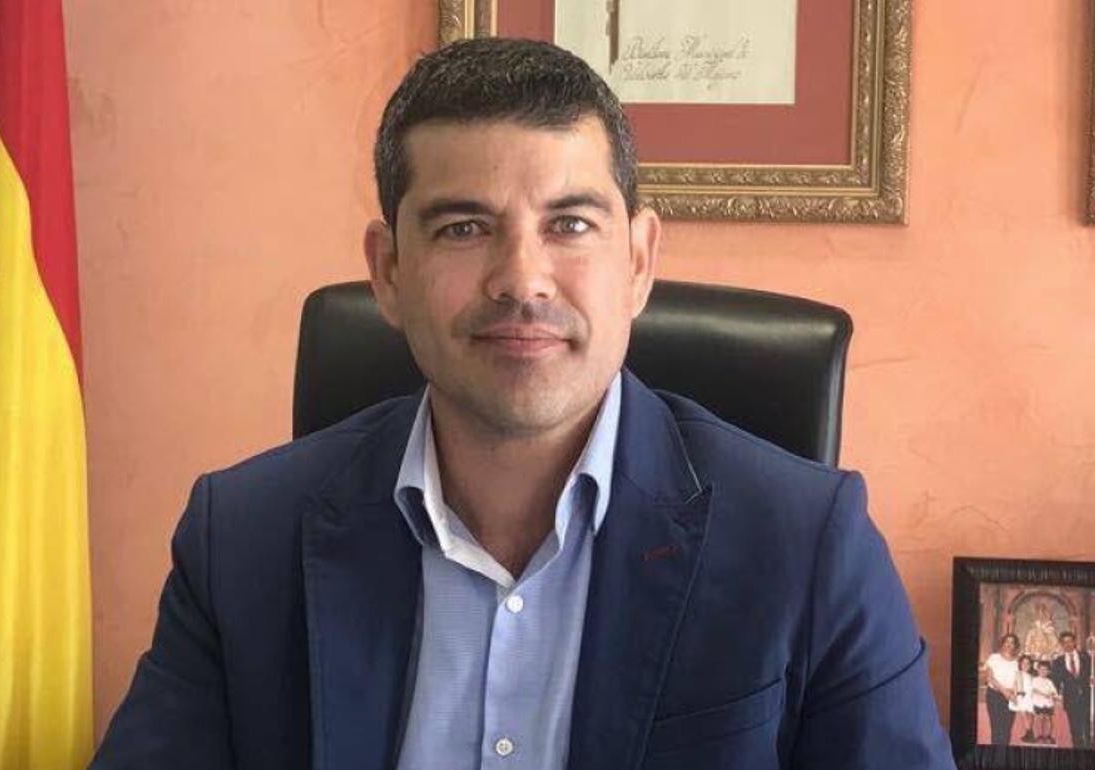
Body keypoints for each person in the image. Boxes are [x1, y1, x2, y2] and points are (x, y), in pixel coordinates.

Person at [89, 38, 955, 769]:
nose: (521, 279)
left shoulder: (809, 547)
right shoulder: (241, 539)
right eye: (463, 228)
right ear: (387, 272)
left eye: (570, 224)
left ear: (639, 261)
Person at [1051, 631, 1093, 748]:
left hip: (1088, 697)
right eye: (1064, 642)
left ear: (1074, 642)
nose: (1067, 644)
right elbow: (1055, 681)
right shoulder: (1058, 661)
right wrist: (1057, 695)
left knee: (1088, 726)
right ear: (1061, 644)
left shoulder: (1087, 657)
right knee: (1075, 729)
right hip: (1070, 700)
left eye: (1070, 641)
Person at [983, 633, 1020, 746]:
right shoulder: (994, 657)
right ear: (1003, 643)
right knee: (997, 728)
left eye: (1012, 642)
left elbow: (1018, 680)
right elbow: (989, 678)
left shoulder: (1017, 662)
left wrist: (1014, 694)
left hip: (1010, 697)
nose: (1009, 644)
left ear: (1015, 646)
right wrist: (1004, 691)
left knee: (1007, 729)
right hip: (995, 695)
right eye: (1007, 641)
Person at [1032, 660, 1060, 745]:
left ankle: (1047, 735)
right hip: (1038, 703)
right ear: (1038, 670)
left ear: (1048, 671)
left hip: (1048, 703)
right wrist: (1044, 694)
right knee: (1039, 718)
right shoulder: (1034, 680)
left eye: (1045, 670)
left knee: (1048, 718)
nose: (1043, 671)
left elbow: (1054, 691)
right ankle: (1038, 735)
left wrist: (1052, 694)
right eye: (1041, 669)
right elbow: (1034, 689)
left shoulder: (1049, 681)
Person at [1009, 654, 1036, 742]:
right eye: (1023, 663)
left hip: (1030, 696)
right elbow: (1015, 684)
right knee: (1024, 715)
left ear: (1031, 665)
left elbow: (1033, 687)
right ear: (1020, 664)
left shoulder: (1031, 675)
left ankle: (1029, 733)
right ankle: (1029, 733)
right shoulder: (1018, 673)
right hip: (1022, 695)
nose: (1025, 665)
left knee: (1030, 715)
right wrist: (1018, 694)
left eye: (1028, 663)